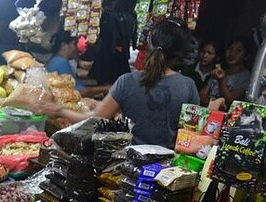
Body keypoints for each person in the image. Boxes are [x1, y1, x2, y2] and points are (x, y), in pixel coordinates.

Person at [40, 18, 199, 148]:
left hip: (127, 165)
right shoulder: (188, 86)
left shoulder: (127, 81)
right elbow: (190, 135)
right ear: (180, 53)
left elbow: (94, 120)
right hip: (166, 171)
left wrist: (60, 111)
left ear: (149, 43)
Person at [46, 30, 111, 98]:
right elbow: (79, 91)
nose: (76, 48)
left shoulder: (56, 61)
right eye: (74, 44)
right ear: (64, 45)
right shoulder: (60, 63)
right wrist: (107, 88)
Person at [88, 0, 136, 85]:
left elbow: (110, 34)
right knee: (114, 78)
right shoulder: (129, 16)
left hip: (111, 51)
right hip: (117, 51)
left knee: (107, 77)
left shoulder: (111, 16)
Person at [200, 36, 252, 107]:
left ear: (246, 56)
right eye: (230, 49)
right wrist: (214, 104)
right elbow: (201, 95)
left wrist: (221, 81)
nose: (232, 53)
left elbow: (232, 103)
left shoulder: (245, 76)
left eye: (238, 50)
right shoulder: (220, 71)